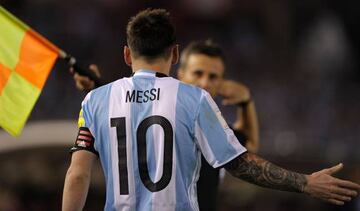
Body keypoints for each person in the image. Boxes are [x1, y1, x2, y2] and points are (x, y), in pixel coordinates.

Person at [62, 8, 360, 211]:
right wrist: (305, 182)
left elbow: (77, 176)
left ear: (127, 54)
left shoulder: (95, 101)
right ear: (176, 54)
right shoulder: (195, 100)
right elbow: (239, 163)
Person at [71, 39, 259, 211]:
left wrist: (246, 103)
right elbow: (132, 121)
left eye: (213, 77)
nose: (205, 82)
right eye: (198, 73)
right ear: (180, 74)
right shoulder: (171, 118)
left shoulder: (213, 128)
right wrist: (97, 91)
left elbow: (247, 146)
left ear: (221, 82)